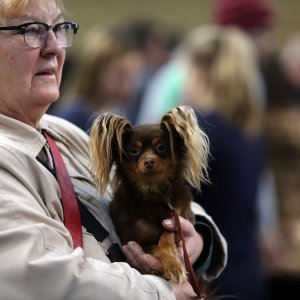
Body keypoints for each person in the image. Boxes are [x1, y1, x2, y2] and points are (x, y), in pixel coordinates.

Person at [0, 1, 227, 300]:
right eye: (32, 30)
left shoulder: (62, 132)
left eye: (59, 28)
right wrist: (161, 292)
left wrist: (195, 236)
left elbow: (135, 193)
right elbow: (44, 279)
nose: (54, 47)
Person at [183, 25, 268, 300]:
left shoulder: (200, 133)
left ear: (202, 72)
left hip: (210, 279)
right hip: (248, 273)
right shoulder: (248, 130)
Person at [52, 23, 143, 131]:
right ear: (95, 70)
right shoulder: (71, 117)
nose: (127, 85)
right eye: (120, 75)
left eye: (131, 77)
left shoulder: (121, 112)